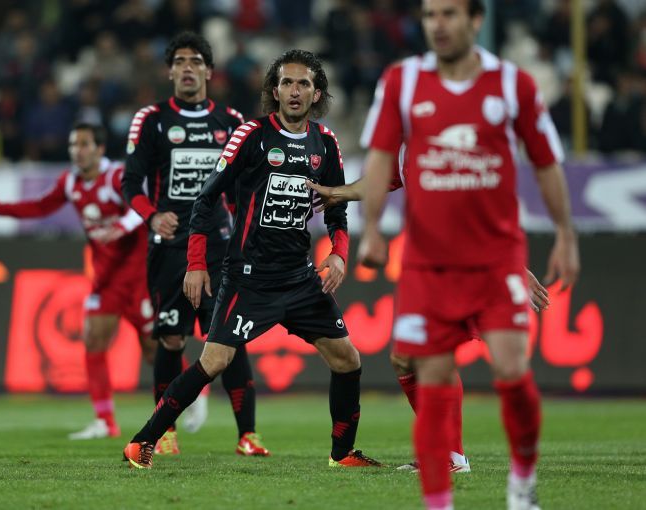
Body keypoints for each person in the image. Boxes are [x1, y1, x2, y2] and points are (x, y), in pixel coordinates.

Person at [357, 1, 579, 509]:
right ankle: (440, 500)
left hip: (495, 260)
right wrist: (370, 228)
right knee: (427, 373)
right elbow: (380, 159)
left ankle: (522, 480)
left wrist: (566, 235)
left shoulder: (513, 85)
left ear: (476, 20)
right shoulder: (401, 83)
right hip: (427, 263)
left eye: (450, 14)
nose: (438, 24)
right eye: (430, 14)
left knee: (512, 371)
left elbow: (547, 163)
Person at [122, 49, 384, 470]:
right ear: (274, 91)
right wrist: (196, 263)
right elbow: (206, 199)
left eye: (303, 84)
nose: (294, 91)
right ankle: (142, 442)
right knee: (214, 361)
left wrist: (338, 254)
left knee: (347, 359)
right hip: (248, 279)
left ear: (316, 93)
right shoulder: (251, 135)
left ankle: (342, 454)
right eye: (286, 83)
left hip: (300, 279)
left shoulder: (325, 142)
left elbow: (336, 208)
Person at [307, 174, 551, 475]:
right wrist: (336, 193)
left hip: (465, 263)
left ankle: (456, 458)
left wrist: (512, 265)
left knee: (435, 355)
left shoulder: (450, 154)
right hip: (431, 264)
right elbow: (381, 180)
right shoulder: (406, 151)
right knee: (404, 359)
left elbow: (479, 208)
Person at [122, 32, 266, 456]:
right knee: (170, 340)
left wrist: (247, 234)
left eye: (196, 61)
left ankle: (248, 435)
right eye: (180, 61)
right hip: (170, 247)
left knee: (230, 339)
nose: (188, 68)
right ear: (170, 71)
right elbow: (130, 182)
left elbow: (244, 188)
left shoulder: (232, 120)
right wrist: (152, 215)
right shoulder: (151, 119)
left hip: (220, 249)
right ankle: (166, 432)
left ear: (209, 71)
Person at [0, 122, 160, 439]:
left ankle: (195, 393)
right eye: (72, 144)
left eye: (83, 144)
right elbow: (39, 207)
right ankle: (105, 421)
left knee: (154, 351)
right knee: (93, 341)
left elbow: (142, 207)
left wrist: (120, 227)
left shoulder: (117, 176)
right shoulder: (69, 182)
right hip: (106, 278)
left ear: (99, 148)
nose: (76, 151)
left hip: (138, 276)